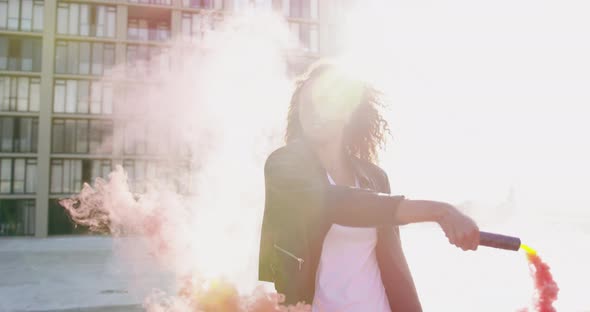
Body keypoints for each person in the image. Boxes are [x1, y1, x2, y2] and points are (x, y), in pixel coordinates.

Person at [258, 61, 480, 312]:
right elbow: (338, 203)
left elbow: (395, 267)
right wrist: (439, 211)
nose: (313, 110)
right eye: (306, 103)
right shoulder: (282, 166)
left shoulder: (375, 177)